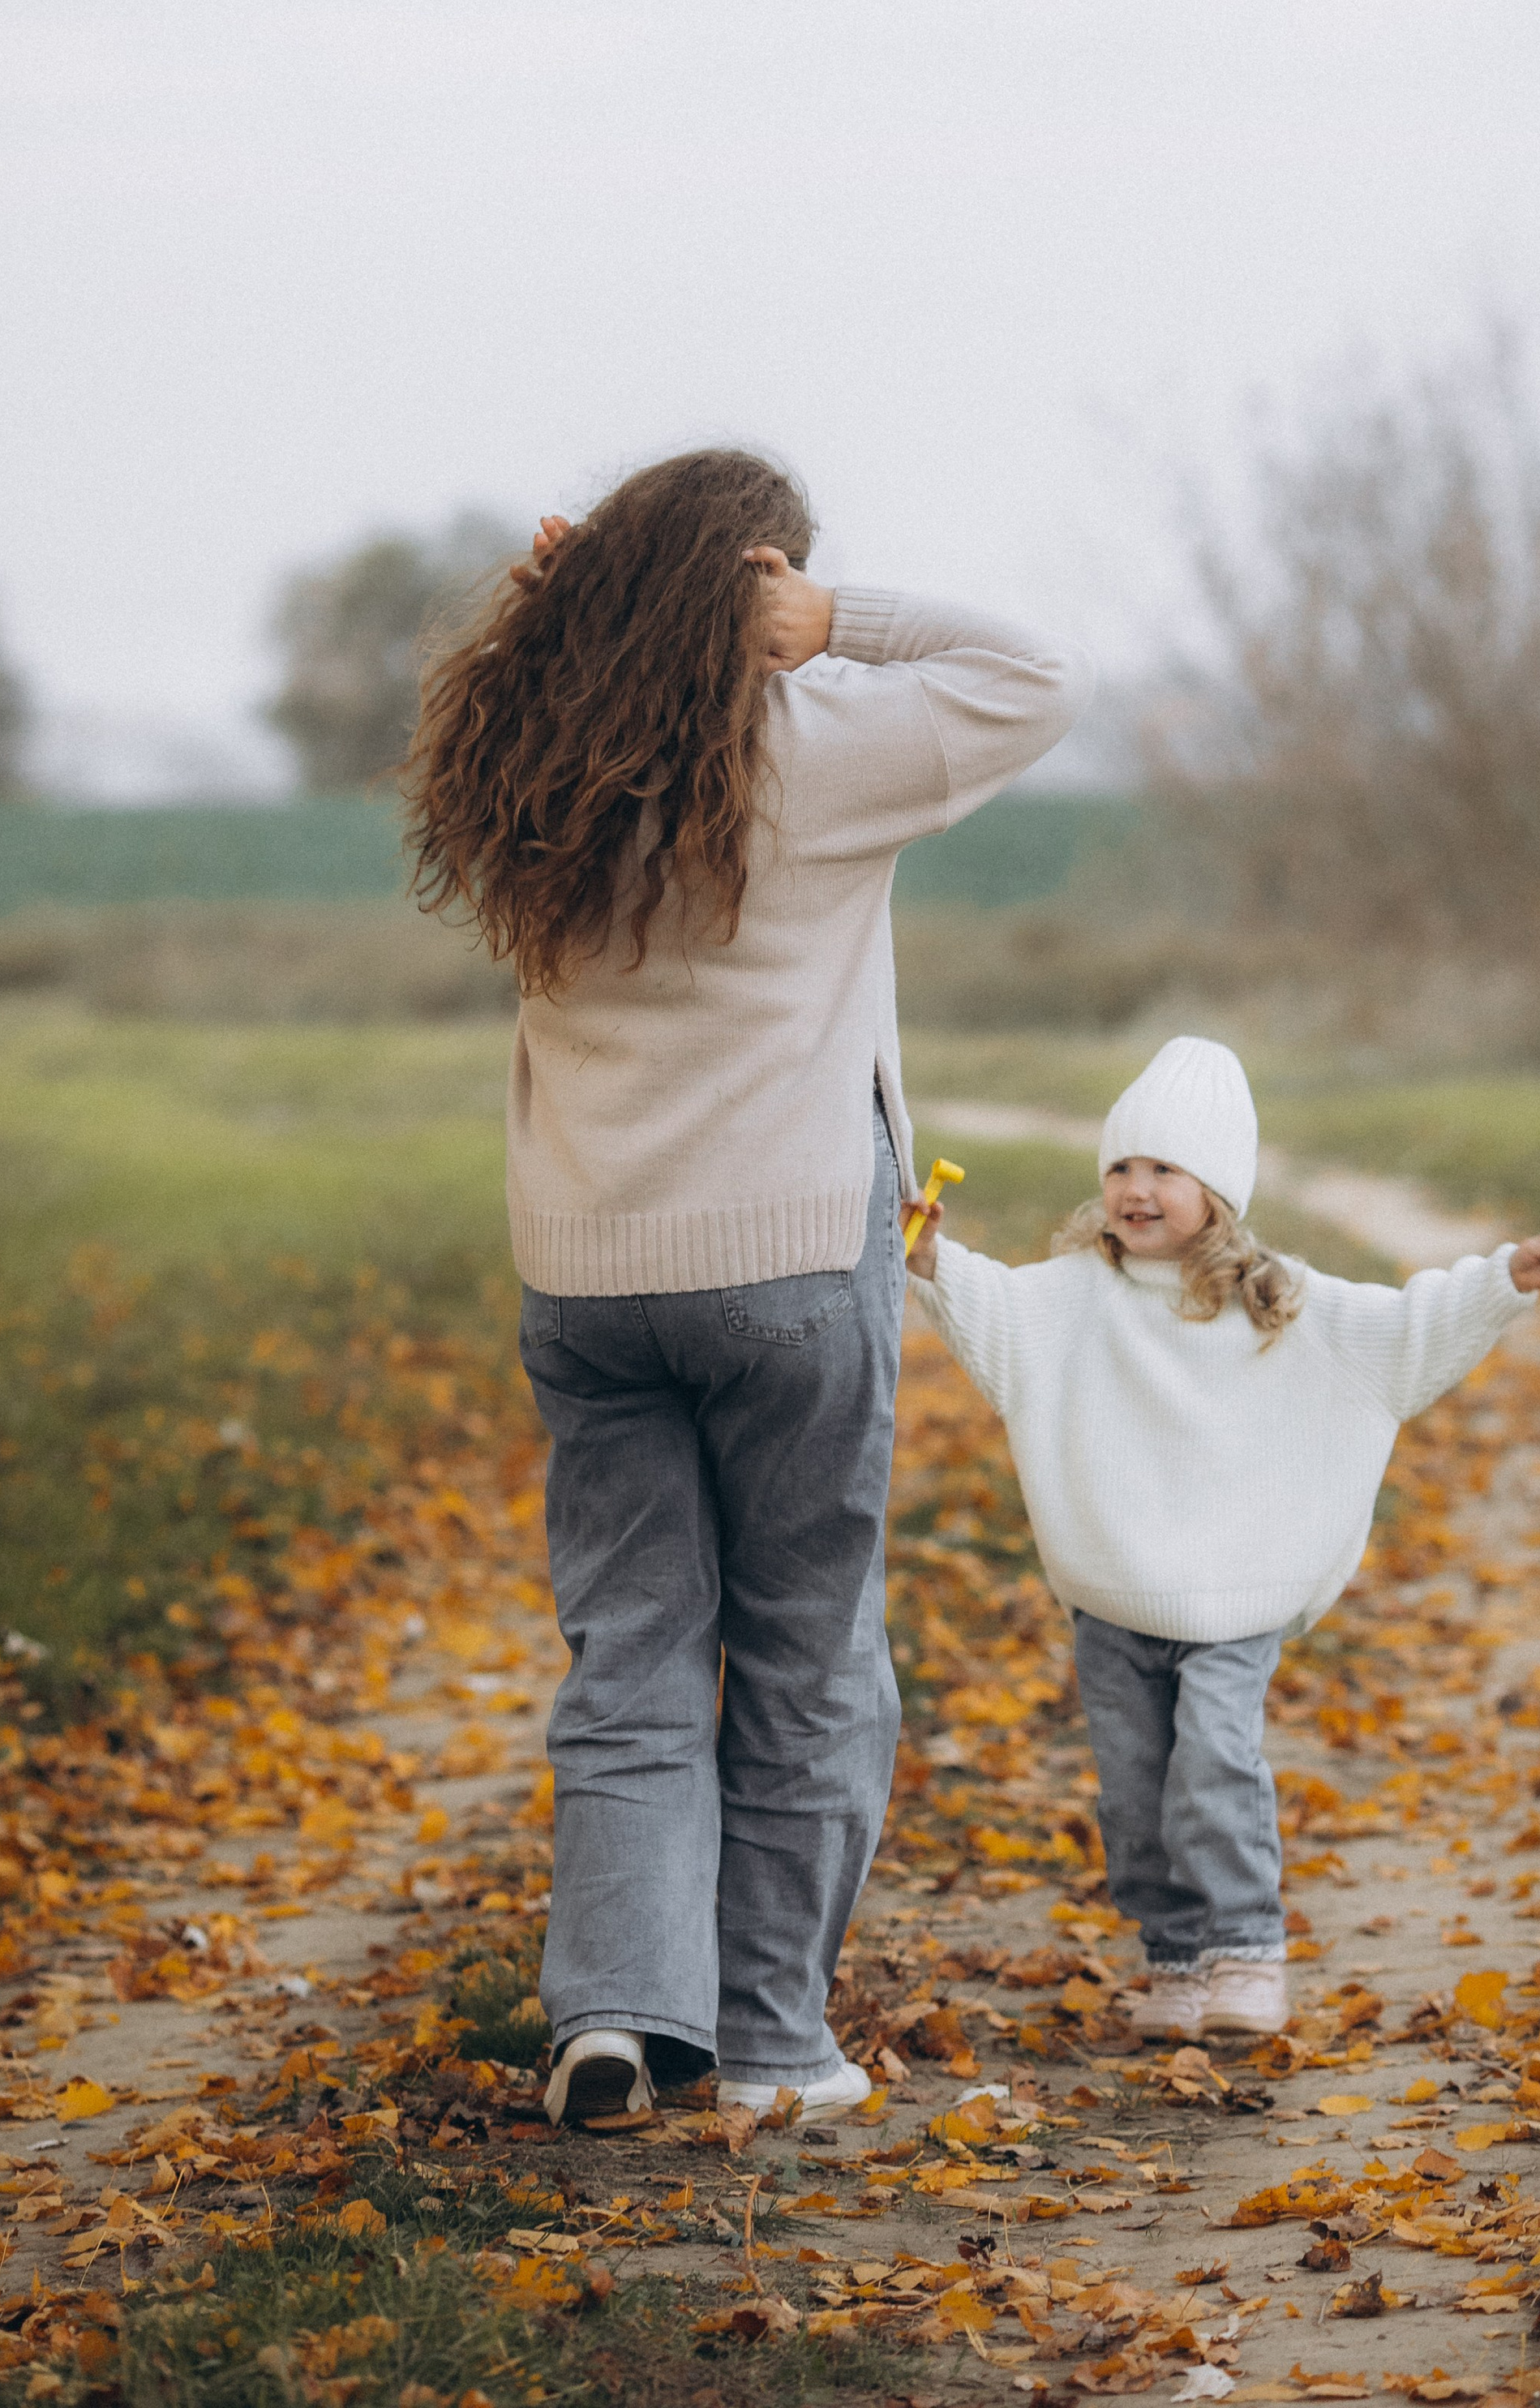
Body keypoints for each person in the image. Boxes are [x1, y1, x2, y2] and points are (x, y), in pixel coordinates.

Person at [404, 448, 1090, 2124]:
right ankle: (773, 2046)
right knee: (806, 1653)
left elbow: (547, 674)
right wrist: (832, 621)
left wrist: (557, 608)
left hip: (587, 1275)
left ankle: (614, 2018)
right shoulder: (814, 746)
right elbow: (1032, 681)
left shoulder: (528, 762)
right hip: (784, 1268)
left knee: (631, 1650)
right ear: (758, 580)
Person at [904, 1034, 1540, 2041]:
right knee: (1135, 1799)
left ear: (1216, 1190)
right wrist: (924, 1257)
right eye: (1121, 1167)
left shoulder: (1277, 1303)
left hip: (1231, 1599)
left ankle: (1246, 1949)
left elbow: (1400, 1332)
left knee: (1212, 1765)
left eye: (1164, 1170)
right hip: (1111, 1599)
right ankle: (1176, 1960)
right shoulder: (1073, 1298)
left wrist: (1501, 1280)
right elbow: (990, 1306)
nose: (1136, 1190)